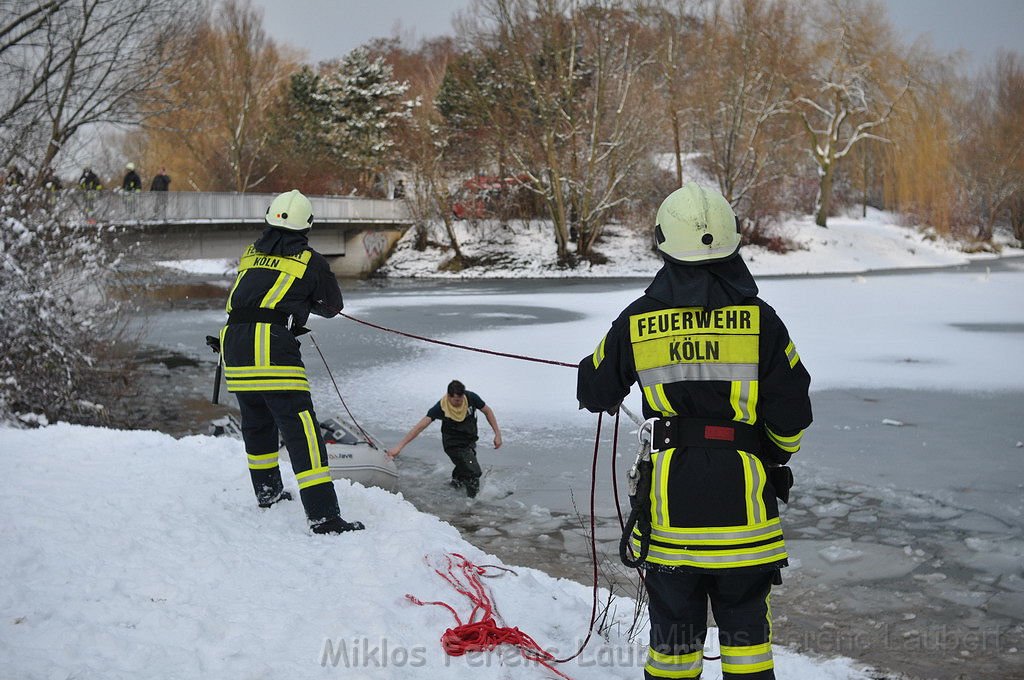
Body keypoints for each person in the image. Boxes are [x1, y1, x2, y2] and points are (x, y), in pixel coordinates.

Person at [575, 182, 812, 680]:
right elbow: (792, 411)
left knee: (673, 647)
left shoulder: (639, 320)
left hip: (672, 512)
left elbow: (595, 389)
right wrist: (770, 455)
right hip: (745, 514)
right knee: (748, 646)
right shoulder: (762, 321)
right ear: (732, 239)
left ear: (664, 243)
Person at [219, 189, 364, 535]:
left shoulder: (250, 254)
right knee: (303, 432)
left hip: (234, 347)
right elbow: (331, 306)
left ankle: (268, 494)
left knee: (256, 422)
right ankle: (324, 517)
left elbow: (251, 297)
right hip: (271, 348)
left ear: (269, 217)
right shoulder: (309, 260)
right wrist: (302, 304)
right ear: (307, 225)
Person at [386, 380, 502, 498]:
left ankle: (453, 489)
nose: (460, 402)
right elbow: (419, 427)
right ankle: (472, 502)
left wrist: (497, 434)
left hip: (469, 441)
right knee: (473, 471)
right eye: (456, 400)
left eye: (461, 399)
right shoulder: (441, 407)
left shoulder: (471, 398)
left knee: (463, 469)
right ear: (449, 396)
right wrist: (399, 447)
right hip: (453, 445)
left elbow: (487, 411)